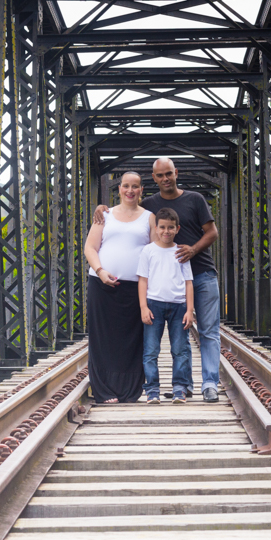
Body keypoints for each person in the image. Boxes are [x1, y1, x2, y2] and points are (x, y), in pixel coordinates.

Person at [95, 157, 220, 402]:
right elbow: (128, 209)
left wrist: (192, 250)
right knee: (174, 342)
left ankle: (209, 383)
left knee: (207, 332)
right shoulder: (151, 205)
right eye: (160, 175)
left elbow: (212, 232)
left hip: (201, 273)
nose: (165, 179)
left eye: (169, 174)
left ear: (176, 173)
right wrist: (102, 208)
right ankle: (180, 386)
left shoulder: (195, 199)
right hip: (167, 282)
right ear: (153, 179)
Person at [83, 172, 154, 403]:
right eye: (126, 186)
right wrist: (101, 271)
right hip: (101, 284)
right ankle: (103, 390)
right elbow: (90, 248)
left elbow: (155, 252)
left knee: (132, 341)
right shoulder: (105, 214)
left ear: (141, 190)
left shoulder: (149, 217)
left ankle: (129, 390)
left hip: (134, 289)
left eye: (135, 186)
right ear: (120, 189)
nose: (130, 191)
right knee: (102, 338)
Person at [137, 207, 195, 405]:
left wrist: (189, 310)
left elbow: (188, 282)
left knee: (180, 349)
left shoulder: (180, 251)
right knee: (151, 350)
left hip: (179, 306)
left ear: (177, 228)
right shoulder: (148, 251)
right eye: (162, 227)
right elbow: (143, 280)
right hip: (154, 305)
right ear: (156, 227)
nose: (166, 231)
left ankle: (179, 389)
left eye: (171, 227)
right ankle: (152, 390)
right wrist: (143, 307)